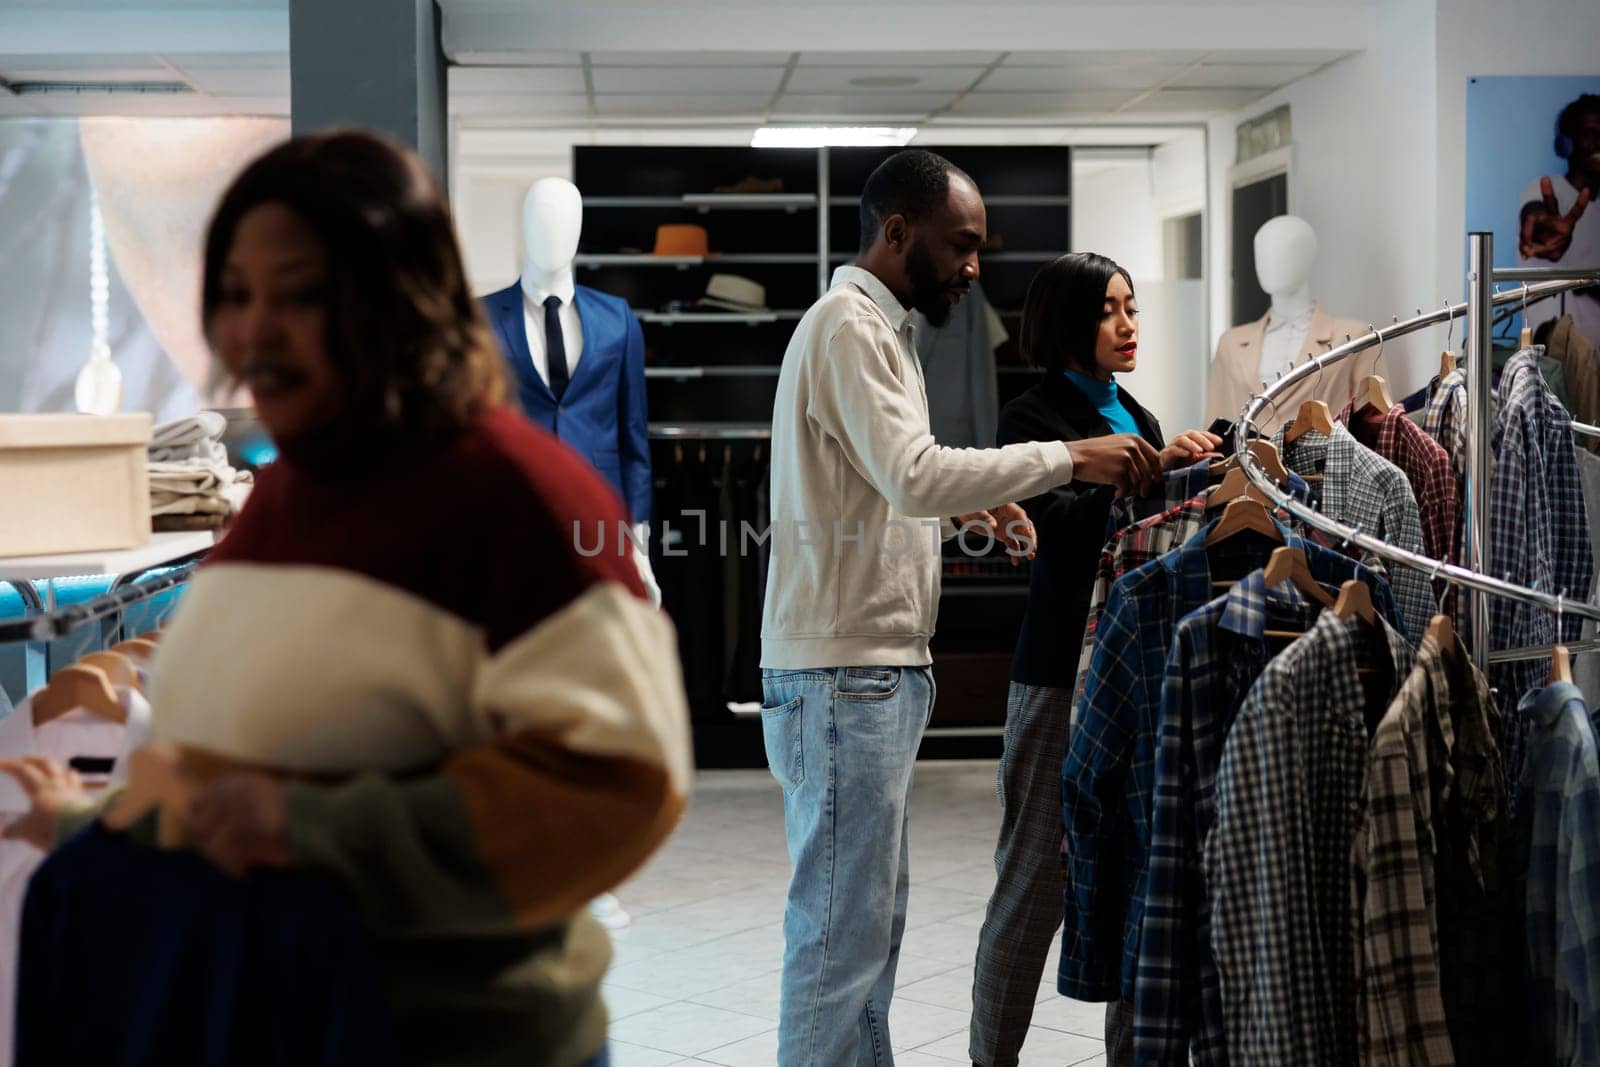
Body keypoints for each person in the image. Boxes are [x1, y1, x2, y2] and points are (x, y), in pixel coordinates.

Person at [1, 129, 692, 1067]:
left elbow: (621, 782)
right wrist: (92, 824)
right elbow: (242, 779)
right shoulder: (284, 499)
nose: (251, 330)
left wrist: (309, 829)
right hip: (284, 1017)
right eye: (236, 294)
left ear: (398, 300)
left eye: (301, 293)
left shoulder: (514, 496)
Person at [759, 149, 1163, 1066]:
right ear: (898, 233)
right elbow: (912, 470)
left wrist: (966, 510)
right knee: (839, 940)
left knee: (864, 935)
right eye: (961, 245)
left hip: (869, 672)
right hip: (844, 674)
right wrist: (1072, 457)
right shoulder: (849, 330)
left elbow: (876, 489)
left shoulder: (881, 332)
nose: (975, 267)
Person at [967, 252, 1220, 1067]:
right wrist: (1136, 479)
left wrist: (1176, 468)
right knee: (1034, 880)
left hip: (1129, 668)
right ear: (1070, 320)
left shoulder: (1139, 417)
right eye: (1109, 309)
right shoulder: (1031, 414)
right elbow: (1059, 535)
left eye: (1133, 307)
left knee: (1129, 875)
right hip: (1052, 673)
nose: (1127, 324)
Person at [1518, 92, 1598, 340]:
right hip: (1550, 359)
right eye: (1589, 133)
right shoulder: (1541, 189)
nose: (1599, 142)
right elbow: (1536, 216)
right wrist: (1545, 231)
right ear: (1567, 144)